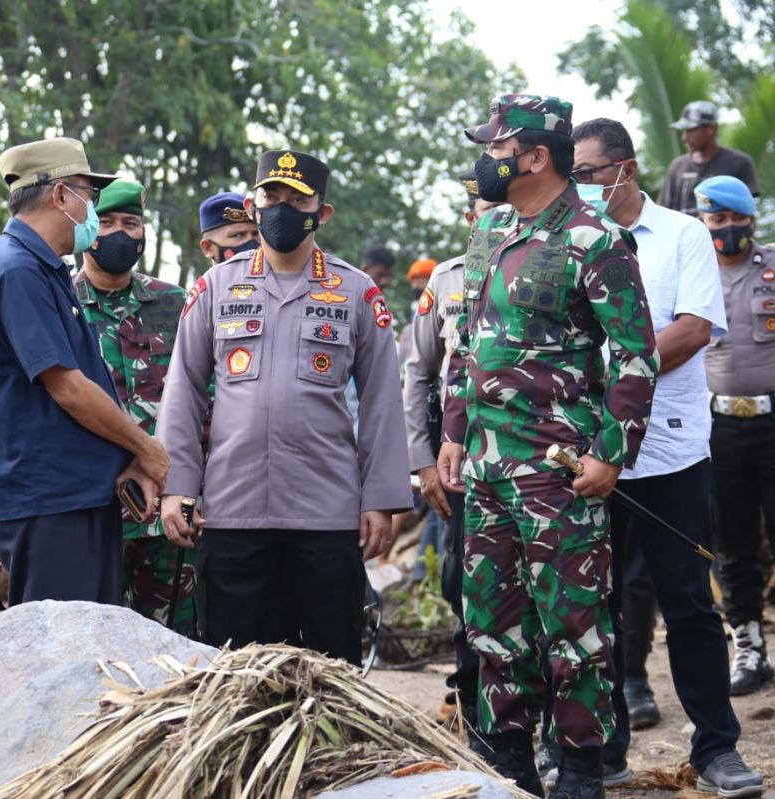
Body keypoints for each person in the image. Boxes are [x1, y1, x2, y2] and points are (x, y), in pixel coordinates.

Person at [438, 95, 659, 799]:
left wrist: (611, 453)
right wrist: (450, 433)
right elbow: (464, 345)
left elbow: (634, 354)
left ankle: (581, 763)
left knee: (573, 624)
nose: (487, 159)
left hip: (556, 470)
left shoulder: (594, 239)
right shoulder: (490, 230)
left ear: (534, 157)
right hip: (485, 466)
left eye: (497, 148)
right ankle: (509, 758)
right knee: (492, 621)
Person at [157, 148, 412, 666]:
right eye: (272, 196)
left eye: (298, 199)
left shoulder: (357, 293)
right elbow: (181, 390)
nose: (282, 208)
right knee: (234, 670)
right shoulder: (214, 288)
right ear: (253, 206)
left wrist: (380, 499)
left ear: (323, 211)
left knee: (328, 667)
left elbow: (384, 400)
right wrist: (177, 487)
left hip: (327, 514)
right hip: (232, 512)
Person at [573, 119, 763, 798]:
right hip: (590, 458)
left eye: (589, 172)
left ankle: (716, 749)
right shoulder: (571, 239)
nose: (581, 187)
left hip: (670, 450)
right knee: (600, 609)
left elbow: (692, 330)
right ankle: (606, 747)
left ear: (623, 169)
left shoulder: (681, 234)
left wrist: (610, 369)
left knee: (688, 605)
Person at [0, 137, 169, 606]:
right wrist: (146, 448)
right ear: (60, 195)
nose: (92, 210)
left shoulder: (43, 267)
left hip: (72, 497)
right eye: (88, 195)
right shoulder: (15, 270)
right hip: (48, 503)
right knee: (59, 660)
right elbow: (69, 388)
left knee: (89, 655)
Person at [402, 169, 500, 746]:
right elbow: (418, 376)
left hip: (532, 455)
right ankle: (472, 710)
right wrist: (420, 463)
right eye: (477, 211)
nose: (484, 219)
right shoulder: (446, 279)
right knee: (465, 587)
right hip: (456, 458)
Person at [73, 178, 194, 635]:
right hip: (94, 510)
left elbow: (205, 397)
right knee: (93, 639)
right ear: (84, 227)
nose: (120, 234)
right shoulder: (62, 303)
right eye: (105, 222)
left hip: (170, 509)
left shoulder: (174, 303)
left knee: (177, 642)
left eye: (131, 223)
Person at [698, 175, 775, 696]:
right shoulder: (691, 277)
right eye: (718, 219)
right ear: (703, 221)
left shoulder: (772, 268)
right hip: (718, 428)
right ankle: (748, 646)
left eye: (738, 218)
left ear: (752, 219)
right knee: (733, 544)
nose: (729, 229)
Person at [658, 101, 759, 216]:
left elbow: (748, 210)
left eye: (690, 130)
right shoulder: (677, 166)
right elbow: (663, 210)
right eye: (684, 131)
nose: (685, 137)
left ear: (711, 129)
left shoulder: (739, 163)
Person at [198, 191, 259, 265]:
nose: (252, 243)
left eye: (256, 234)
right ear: (208, 248)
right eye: (238, 235)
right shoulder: (207, 277)